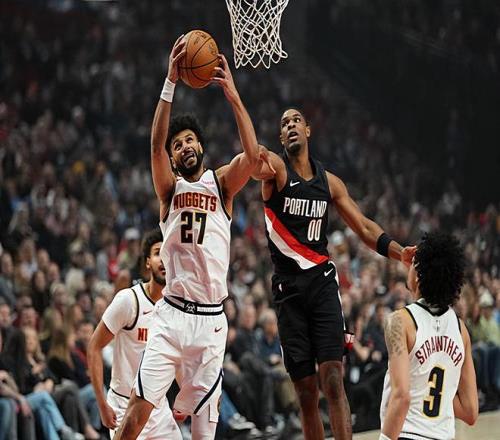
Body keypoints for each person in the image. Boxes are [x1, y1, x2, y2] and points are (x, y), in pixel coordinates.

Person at [114, 34, 259, 440]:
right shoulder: (169, 191)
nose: (184, 147)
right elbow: (154, 147)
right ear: (175, 158)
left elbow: (252, 157)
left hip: (211, 321)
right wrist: (170, 82)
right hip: (172, 315)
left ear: (201, 146)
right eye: (178, 145)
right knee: (137, 413)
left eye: (190, 140)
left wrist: (233, 95)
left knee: (203, 430)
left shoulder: (222, 185)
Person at [252, 107, 414, 440]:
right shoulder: (275, 170)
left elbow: (364, 227)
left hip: (322, 285)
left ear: (308, 130)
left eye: (296, 120)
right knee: (306, 393)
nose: (291, 125)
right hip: (288, 292)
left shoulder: (329, 182)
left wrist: (401, 253)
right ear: (281, 137)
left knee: (334, 380)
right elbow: (254, 160)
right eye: (284, 123)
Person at [380, 232, 478, 439]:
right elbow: (470, 411)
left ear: (418, 275)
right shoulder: (461, 330)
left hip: (407, 434)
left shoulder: (399, 321)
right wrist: (432, 390)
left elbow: (402, 396)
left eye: (413, 264)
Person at [88, 229, 181, 439]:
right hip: (124, 405)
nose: (164, 259)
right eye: (158, 253)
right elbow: (94, 346)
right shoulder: (129, 300)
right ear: (147, 262)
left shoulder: (176, 307)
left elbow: (178, 360)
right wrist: (102, 404)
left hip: (158, 407)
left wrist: (185, 397)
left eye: (168, 254)